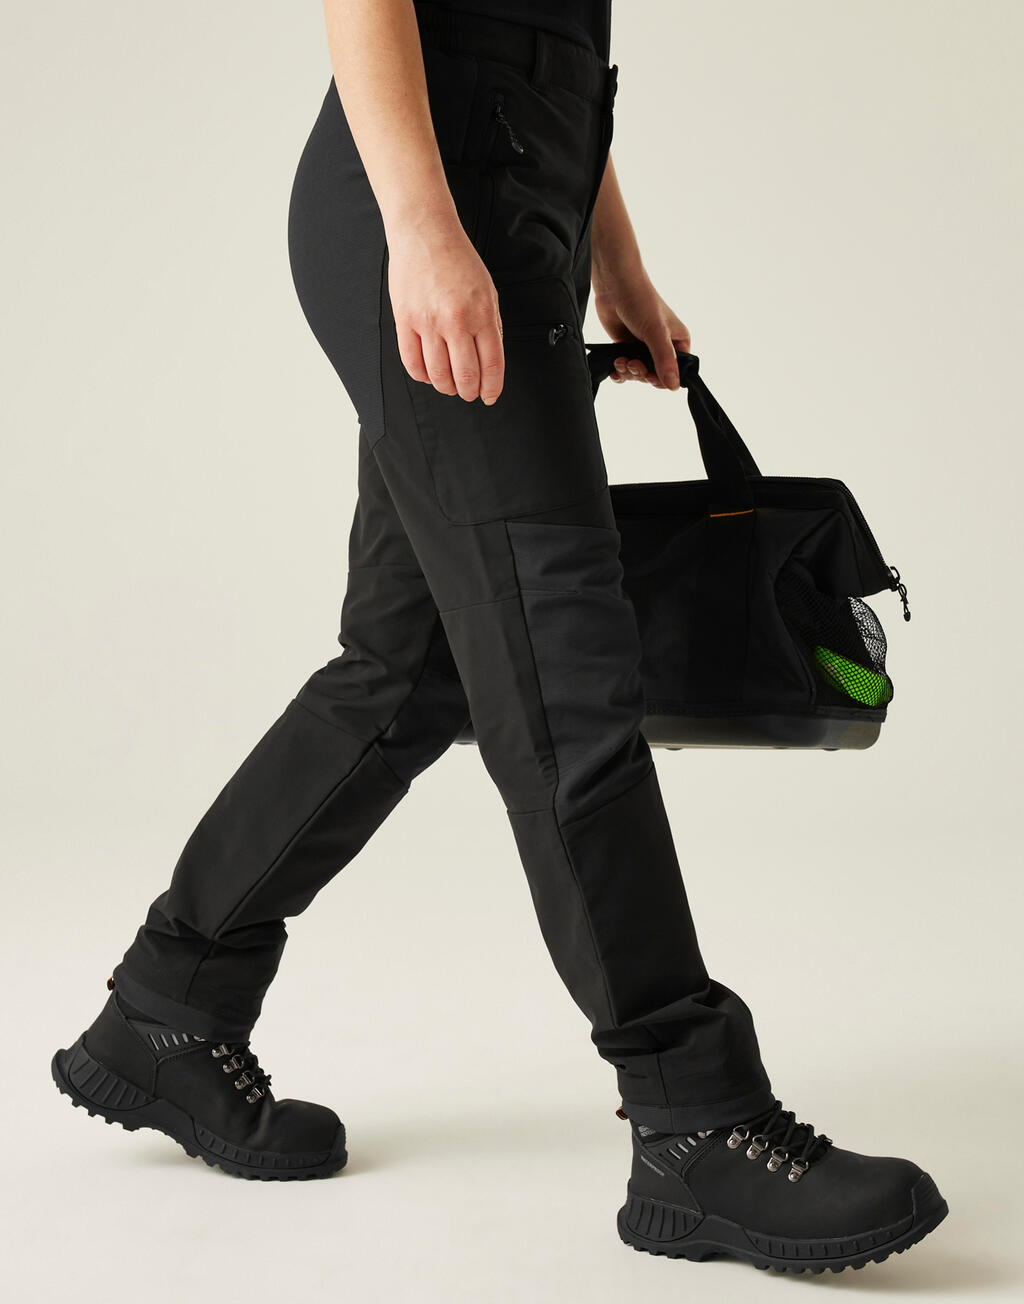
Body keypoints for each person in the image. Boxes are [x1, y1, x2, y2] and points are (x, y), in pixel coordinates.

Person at [52, 0, 947, 1272]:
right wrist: (422, 225)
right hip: (432, 185)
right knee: (563, 667)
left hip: (524, 188)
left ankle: (171, 1002)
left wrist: (611, 256)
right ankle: (693, 1116)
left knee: (408, 664)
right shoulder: (425, 201)